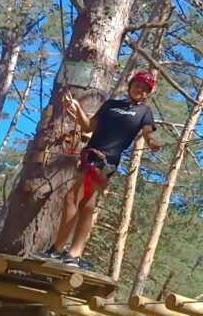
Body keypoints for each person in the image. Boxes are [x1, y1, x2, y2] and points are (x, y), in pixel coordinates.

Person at [38, 71, 160, 268]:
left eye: (145, 89)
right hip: (90, 154)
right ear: (131, 85)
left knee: (72, 198)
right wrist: (77, 108)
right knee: (87, 203)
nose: (141, 91)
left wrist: (152, 143)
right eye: (138, 85)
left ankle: (57, 250)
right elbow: (88, 127)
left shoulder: (144, 111)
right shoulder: (111, 105)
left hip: (106, 160)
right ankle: (74, 255)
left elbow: (147, 132)